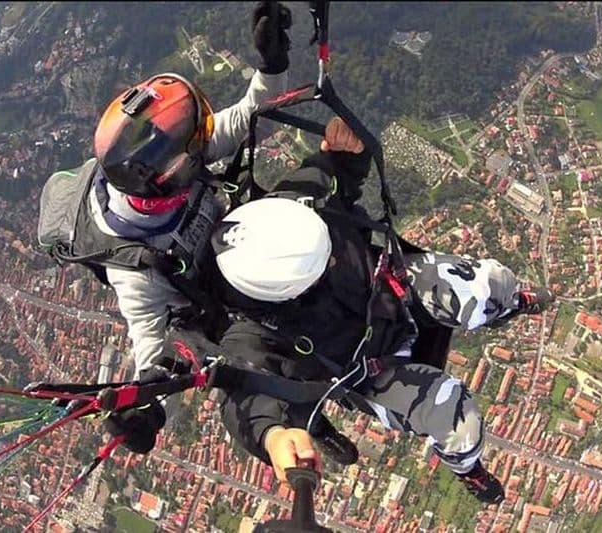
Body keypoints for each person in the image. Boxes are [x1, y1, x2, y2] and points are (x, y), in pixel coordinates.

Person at [37, 2, 357, 461]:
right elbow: (153, 349)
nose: (205, 134)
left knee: (311, 197)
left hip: (241, 243)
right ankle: (308, 420)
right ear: (175, 172)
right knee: (261, 362)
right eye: (197, 135)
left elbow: (251, 114)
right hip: (215, 307)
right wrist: (147, 408)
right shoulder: (135, 267)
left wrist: (272, 65)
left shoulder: (171, 156)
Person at [202, 118, 555, 504]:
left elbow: (335, 174)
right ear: (285, 291)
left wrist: (346, 151)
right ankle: (466, 468)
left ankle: (505, 305)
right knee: (457, 420)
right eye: (318, 265)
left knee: (490, 284)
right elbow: (245, 401)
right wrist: (273, 437)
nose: (330, 259)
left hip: (393, 293)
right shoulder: (251, 334)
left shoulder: (293, 209)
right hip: (367, 372)